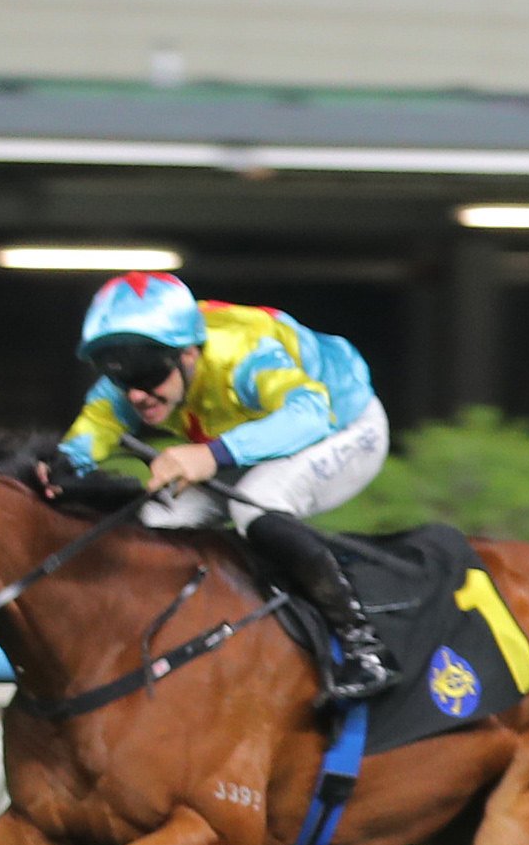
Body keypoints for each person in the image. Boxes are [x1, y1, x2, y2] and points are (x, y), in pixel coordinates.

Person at [62, 271, 395, 706]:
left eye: (148, 372)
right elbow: (97, 425)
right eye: (121, 375)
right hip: (248, 442)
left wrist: (209, 456)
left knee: (256, 505)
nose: (138, 394)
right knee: (158, 519)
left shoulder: (244, 353)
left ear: (188, 354)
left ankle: (364, 645)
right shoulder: (140, 374)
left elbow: (309, 415)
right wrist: (62, 466)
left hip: (340, 425)